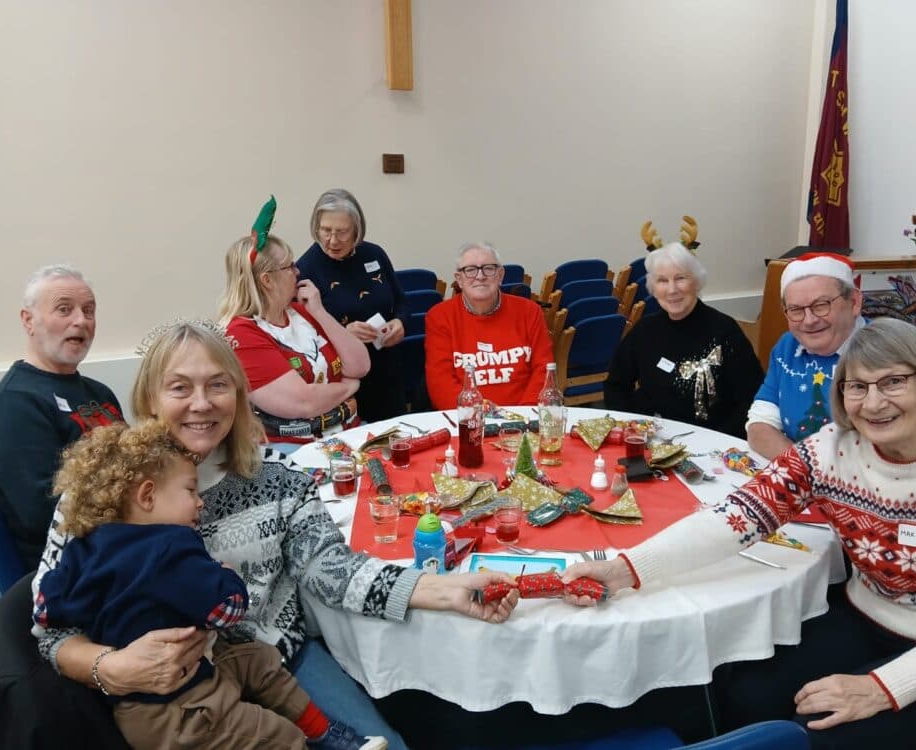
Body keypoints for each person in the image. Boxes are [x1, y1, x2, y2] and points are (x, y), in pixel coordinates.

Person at [32, 321, 518, 750]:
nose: (201, 404)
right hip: (154, 693)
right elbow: (51, 632)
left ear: (240, 395)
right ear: (149, 400)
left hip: (273, 664)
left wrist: (451, 591)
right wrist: (111, 668)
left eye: (217, 385)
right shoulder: (99, 495)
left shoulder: (279, 479)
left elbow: (337, 571)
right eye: (179, 388)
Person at [563, 318, 916, 748]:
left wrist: (881, 688)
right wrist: (624, 569)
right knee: (742, 694)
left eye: (892, 382)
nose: (872, 403)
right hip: (866, 615)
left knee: (825, 729)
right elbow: (736, 516)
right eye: (856, 386)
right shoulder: (830, 449)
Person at [33, 419, 386, 750]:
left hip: (148, 702)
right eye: (190, 490)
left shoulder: (82, 547)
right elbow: (226, 611)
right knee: (275, 733)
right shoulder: (173, 546)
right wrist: (225, 574)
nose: (200, 502)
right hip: (179, 707)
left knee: (257, 660)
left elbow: (49, 608)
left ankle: (324, 732)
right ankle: (325, 736)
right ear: (147, 496)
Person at [746, 252, 916, 460]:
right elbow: (760, 425)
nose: (809, 320)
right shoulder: (788, 347)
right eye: (796, 310)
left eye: (821, 305)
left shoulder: (893, 347)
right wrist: (805, 470)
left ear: (854, 302)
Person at [0, 264, 123, 570]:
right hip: (72, 572)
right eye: (64, 309)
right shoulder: (13, 404)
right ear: (28, 320)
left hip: (119, 543)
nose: (80, 321)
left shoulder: (100, 393)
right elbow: (45, 514)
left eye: (88, 310)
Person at [219, 196, 371, 443]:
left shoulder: (302, 311)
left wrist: (320, 312)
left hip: (348, 433)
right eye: (289, 267)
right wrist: (349, 387)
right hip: (296, 450)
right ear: (267, 280)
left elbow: (360, 365)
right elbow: (304, 402)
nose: (297, 271)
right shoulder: (242, 334)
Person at [603, 243, 764, 438]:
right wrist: (631, 429)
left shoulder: (724, 332)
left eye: (680, 278)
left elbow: (753, 399)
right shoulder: (645, 330)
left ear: (696, 282)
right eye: (662, 280)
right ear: (653, 287)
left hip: (712, 444)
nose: (672, 290)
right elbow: (616, 385)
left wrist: (717, 441)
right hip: (652, 442)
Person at [296, 189, 407, 423]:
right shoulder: (306, 269)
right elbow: (300, 335)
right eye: (326, 231)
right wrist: (343, 334)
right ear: (316, 228)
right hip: (343, 383)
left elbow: (401, 301)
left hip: (387, 373)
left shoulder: (374, 254)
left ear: (356, 230)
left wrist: (400, 323)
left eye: (342, 232)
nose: (333, 240)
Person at [425, 242, 554, 409]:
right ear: (459, 280)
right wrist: (479, 414)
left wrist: (521, 417)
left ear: (500, 275)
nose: (480, 276)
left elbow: (544, 370)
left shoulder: (530, 312)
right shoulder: (440, 317)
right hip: (468, 420)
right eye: (470, 270)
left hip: (524, 419)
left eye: (489, 268)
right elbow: (440, 383)